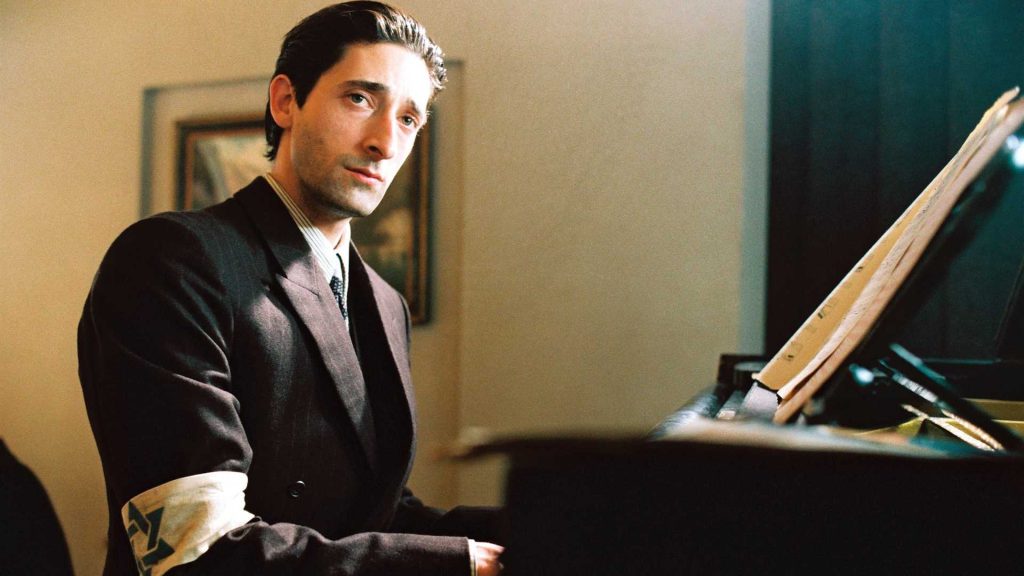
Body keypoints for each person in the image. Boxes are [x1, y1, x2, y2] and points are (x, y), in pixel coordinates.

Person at [78, 3, 505, 574]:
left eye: (408, 119)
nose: (385, 142)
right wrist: (464, 564)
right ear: (285, 101)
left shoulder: (385, 302)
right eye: (360, 99)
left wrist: (544, 529)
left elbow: (373, 516)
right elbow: (196, 549)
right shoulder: (172, 258)